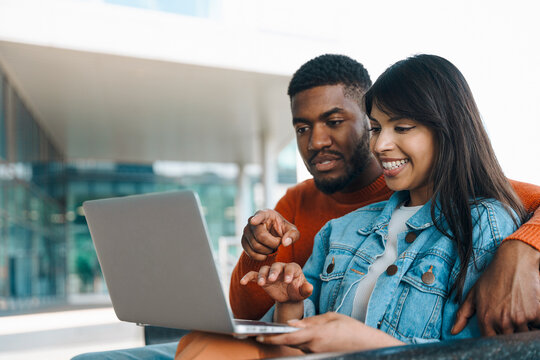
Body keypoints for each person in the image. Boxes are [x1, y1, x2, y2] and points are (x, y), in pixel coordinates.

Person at [229, 54, 540, 338]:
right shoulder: (336, 227)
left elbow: (480, 349)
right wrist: (282, 289)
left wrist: (521, 248)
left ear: (449, 131)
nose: (379, 145)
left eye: (402, 127)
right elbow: (263, 322)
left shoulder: (486, 221)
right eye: (376, 128)